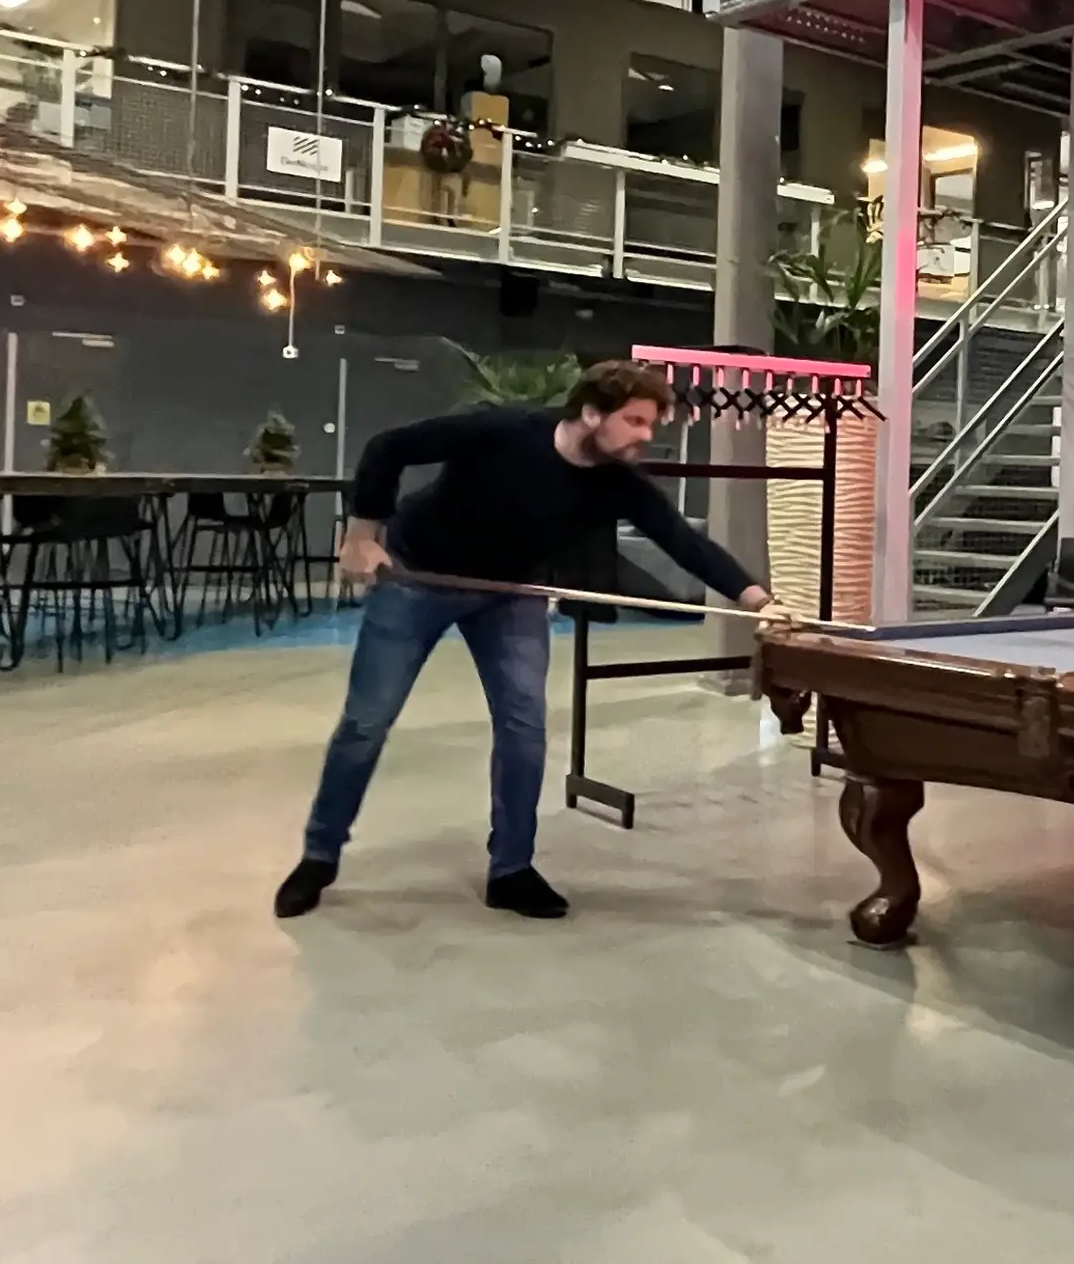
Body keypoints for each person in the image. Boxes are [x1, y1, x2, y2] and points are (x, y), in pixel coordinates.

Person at [277, 359, 769, 922]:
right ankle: (319, 855)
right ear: (591, 414)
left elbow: (685, 544)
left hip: (511, 593)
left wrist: (759, 602)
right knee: (367, 721)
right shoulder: (501, 430)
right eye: (634, 421)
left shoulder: (618, 484)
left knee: (524, 726)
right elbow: (388, 447)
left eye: (650, 422)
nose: (646, 435)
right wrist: (362, 536)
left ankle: (511, 868)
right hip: (418, 579)